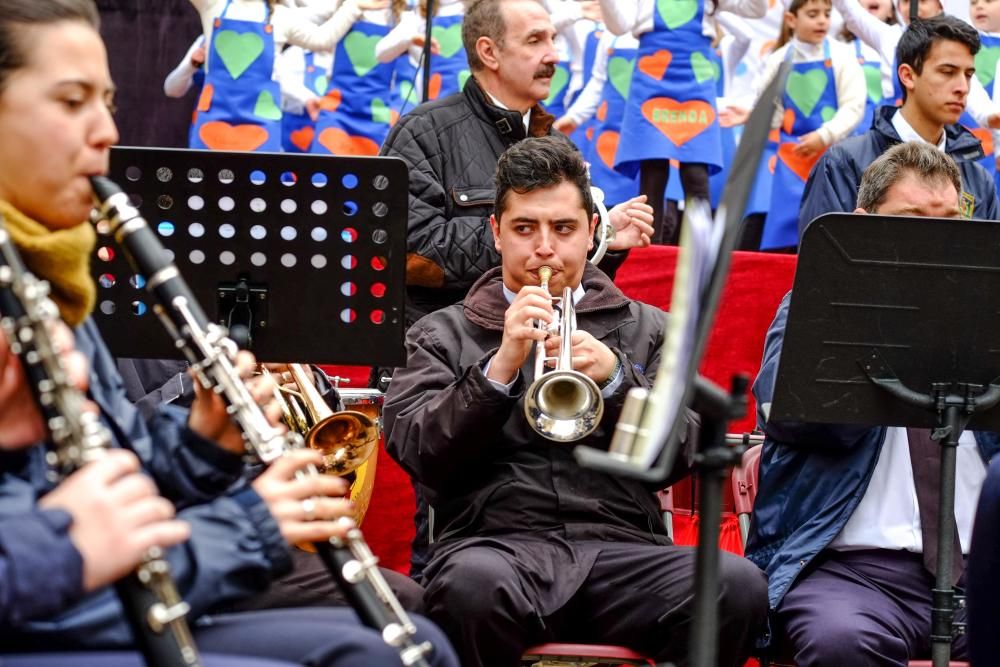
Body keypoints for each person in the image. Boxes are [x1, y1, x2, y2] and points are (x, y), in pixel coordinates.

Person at [0, 2, 459, 665]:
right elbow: (59, 535)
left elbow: (112, 470)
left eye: (106, 100)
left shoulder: (50, 270)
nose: (107, 130)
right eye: (72, 102)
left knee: (414, 644)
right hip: (50, 608)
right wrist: (246, 527)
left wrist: (201, 442)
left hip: (83, 592)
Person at [383, 134, 768, 667]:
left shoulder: (650, 329)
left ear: (592, 233)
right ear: (496, 234)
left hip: (624, 550)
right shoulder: (439, 333)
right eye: (524, 228)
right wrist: (499, 369)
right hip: (497, 547)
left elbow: (684, 454)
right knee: (469, 590)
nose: (544, 248)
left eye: (563, 228)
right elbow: (417, 450)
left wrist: (616, 383)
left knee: (736, 586)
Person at [747, 141, 998, 665]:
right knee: (840, 643)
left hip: (985, 569)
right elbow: (784, 411)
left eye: (948, 220)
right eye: (910, 220)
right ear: (861, 223)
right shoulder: (813, 302)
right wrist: (877, 324)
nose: (935, 240)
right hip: (850, 571)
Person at [379, 0, 655, 326]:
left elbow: (572, 286)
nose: (554, 55)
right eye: (535, 40)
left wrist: (602, 242)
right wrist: (521, 238)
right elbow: (404, 253)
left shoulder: (560, 145)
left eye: (554, 39)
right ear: (489, 52)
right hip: (441, 358)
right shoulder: (424, 131)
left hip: (539, 358)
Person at [798, 14, 1000, 237]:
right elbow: (822, 261)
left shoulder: (979, 179)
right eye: (947, 72)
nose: (962, 87)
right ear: (908, 75)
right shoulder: (844, 163)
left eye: (968, 75)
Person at [597, 0, 768, 245]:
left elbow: (756, 9)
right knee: (653, 171)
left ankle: (700, 257)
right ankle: (650, 254)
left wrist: (718, 11)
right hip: (651, 80)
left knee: (696, 174)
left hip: (695, 84)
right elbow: (619, 26)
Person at [728, 0, 867, 251]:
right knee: (786, 232)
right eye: (813, 15)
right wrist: (751, 115)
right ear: (791, 20)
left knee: (830, 230)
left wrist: (825, 135)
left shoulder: (841, 56)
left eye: (826, 14)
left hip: (833, 157)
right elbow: (772, 111)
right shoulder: (778, 61)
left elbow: (854, 106)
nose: (822, 21)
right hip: (791, 159)